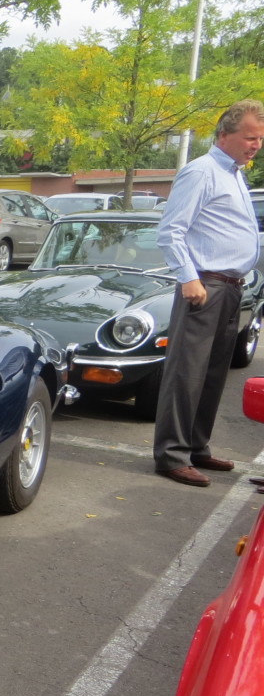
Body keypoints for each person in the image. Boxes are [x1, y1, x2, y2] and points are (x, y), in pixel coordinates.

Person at [153, 99, 264, 487]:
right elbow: (171, 231)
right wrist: (188, 278)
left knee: (214, 373)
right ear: (224, 135)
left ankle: (196, 447)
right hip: (204, 286)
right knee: (186, 373)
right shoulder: (201, 172)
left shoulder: (235, 174)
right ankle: (171, 455)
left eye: (260, 139)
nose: (256, 145)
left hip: (231, 287)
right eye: (250, 137)